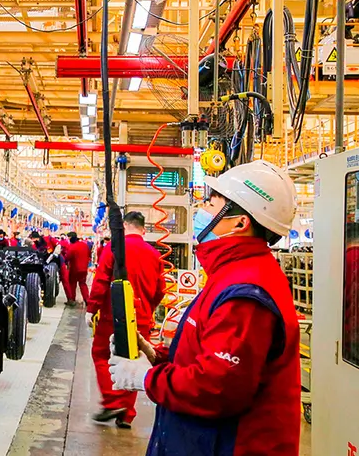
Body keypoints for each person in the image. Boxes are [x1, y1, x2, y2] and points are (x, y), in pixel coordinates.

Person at [109, 160, 300, 454]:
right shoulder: (231, 273)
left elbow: (217, 387)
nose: (201, 211)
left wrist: (144, 378)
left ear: (239, 222)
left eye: (211, 204)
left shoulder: (246, 293)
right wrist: (155, 357)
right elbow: (209, 358)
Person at [86, 211, 165, 428]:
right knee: (133, 359)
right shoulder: (154, 254)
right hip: (142, 317)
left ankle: (112, 402)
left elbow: (101, 280)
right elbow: (160, 290)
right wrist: (148, 309)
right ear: (143, 229)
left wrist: (91, 309)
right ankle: (127, 413)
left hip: (113, 315)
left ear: (123, 226)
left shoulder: (114, 248)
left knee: (101, 354)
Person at [63, 231, 91, 306]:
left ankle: (72, 299)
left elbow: (67, 257)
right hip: (84, 269)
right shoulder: (84, 245)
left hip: (74, 269)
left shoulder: (72, 247)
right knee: (83, 284)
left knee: (72, 284)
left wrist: (64, 260)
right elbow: (89, 254)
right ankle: (87, 300)